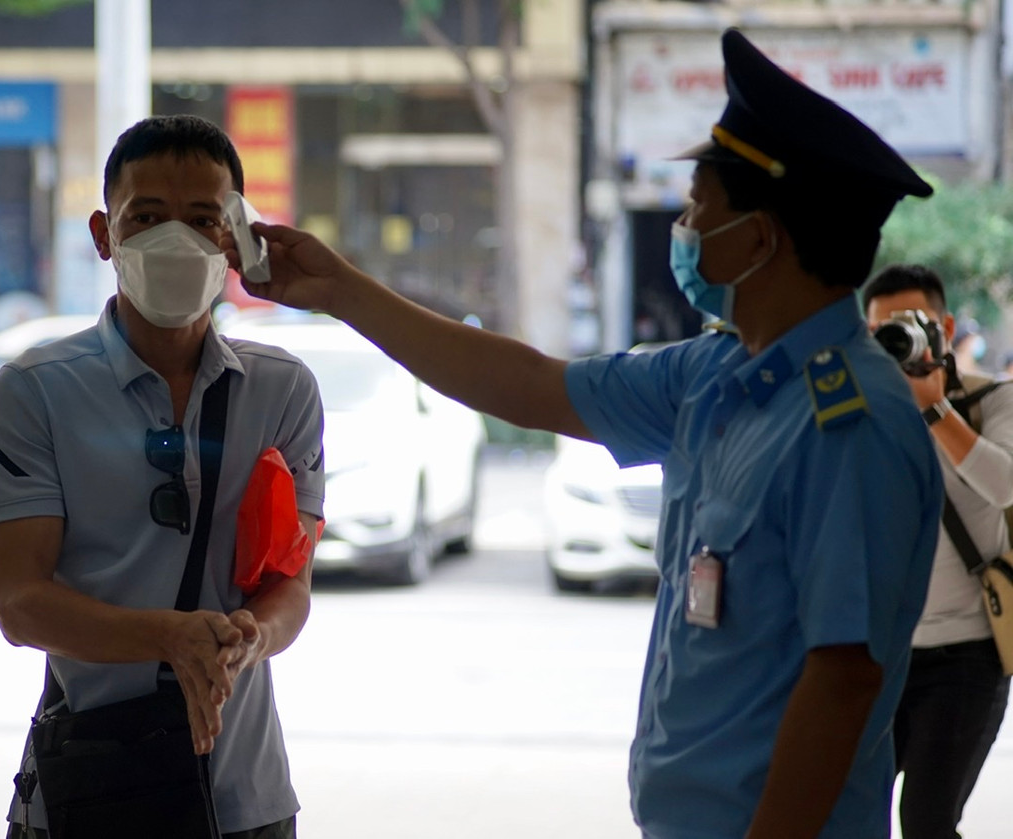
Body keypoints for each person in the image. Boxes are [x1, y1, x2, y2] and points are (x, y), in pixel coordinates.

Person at [220, 28, 943, 839]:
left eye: (699, 205)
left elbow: (842, 678)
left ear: (762, 237)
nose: (686, 228)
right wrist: (343, 291)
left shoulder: (848, 424)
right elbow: (530, 385)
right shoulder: (713, 378)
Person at [0, 114, 325, 839]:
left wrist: (251, 637)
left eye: (203, 217)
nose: (176, 239)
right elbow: (20, 602)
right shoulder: (34, 390)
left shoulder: (283, 390)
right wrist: (168, 636)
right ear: (105, 235)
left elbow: (290, 583)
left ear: (234, 236)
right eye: (147, 217)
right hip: (90, 787)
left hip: (247, 799)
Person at [862, 264, 1013, 839]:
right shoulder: (862, 414)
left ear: (945, 327)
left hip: (967, 659)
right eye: (884, 331)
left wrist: (934, 406)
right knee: (849, 811)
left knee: (926, 821)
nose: (900, 341)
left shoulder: (991, 401)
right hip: (879, 655)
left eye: (914, 324)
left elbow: (1003, 485)